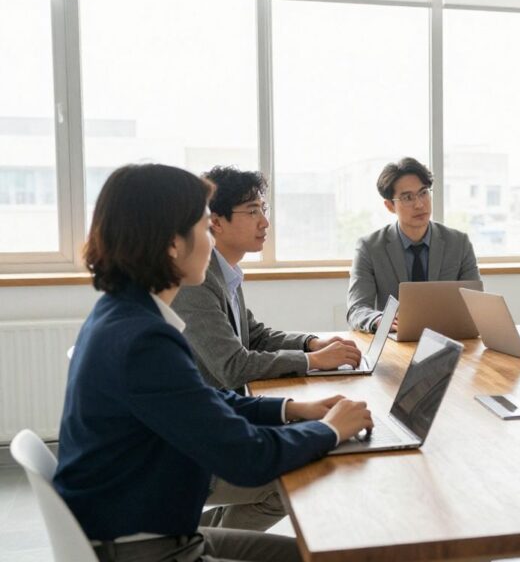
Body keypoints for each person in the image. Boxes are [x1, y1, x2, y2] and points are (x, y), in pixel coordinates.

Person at [54, 164, 373, 562]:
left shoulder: (122, 314)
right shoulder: (144, 340)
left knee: (312, 554)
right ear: (173, 244)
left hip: (153, 529)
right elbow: (247, 457)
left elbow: (203, 400)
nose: (211, 240)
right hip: (147, 549)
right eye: (205, 228)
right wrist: (328, 432)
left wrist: (292, 409)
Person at [173, 166, 363, 531]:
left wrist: (310, 344)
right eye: (253, 211)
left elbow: (253, 335)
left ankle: (204, 539)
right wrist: (311, 362)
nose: (265, 222)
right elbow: (231, 365)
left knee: (304, 460)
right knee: (304, 471)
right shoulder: (197, 281)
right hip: (197, 452)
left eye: (265, 210)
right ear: (216, 222)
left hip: (215, 421)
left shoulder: (223, 271)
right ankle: (201, 540)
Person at [347, 157, 480, 333]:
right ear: (389, 206)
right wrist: (380, 320)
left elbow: (477, 305)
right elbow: (356, 309)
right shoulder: (370, 248)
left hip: (448, 339)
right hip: (396, 340)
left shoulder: (459, 243)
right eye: (407, 197)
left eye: (423, 192)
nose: (419, 204)